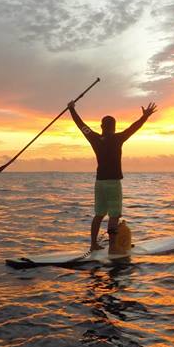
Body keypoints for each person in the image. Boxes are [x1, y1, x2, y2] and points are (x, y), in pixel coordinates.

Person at [67, 99, 158, 252]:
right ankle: (112, 248)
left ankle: (93, 245)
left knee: (99, 215)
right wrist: (145, 116)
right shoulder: (118, 138)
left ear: (102, 127)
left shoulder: (94, 138)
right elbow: (134, 127)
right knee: (114, 216)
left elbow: (81, 126)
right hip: (113, 183)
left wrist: (72, 110)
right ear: (114, 128)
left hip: (99, 183)